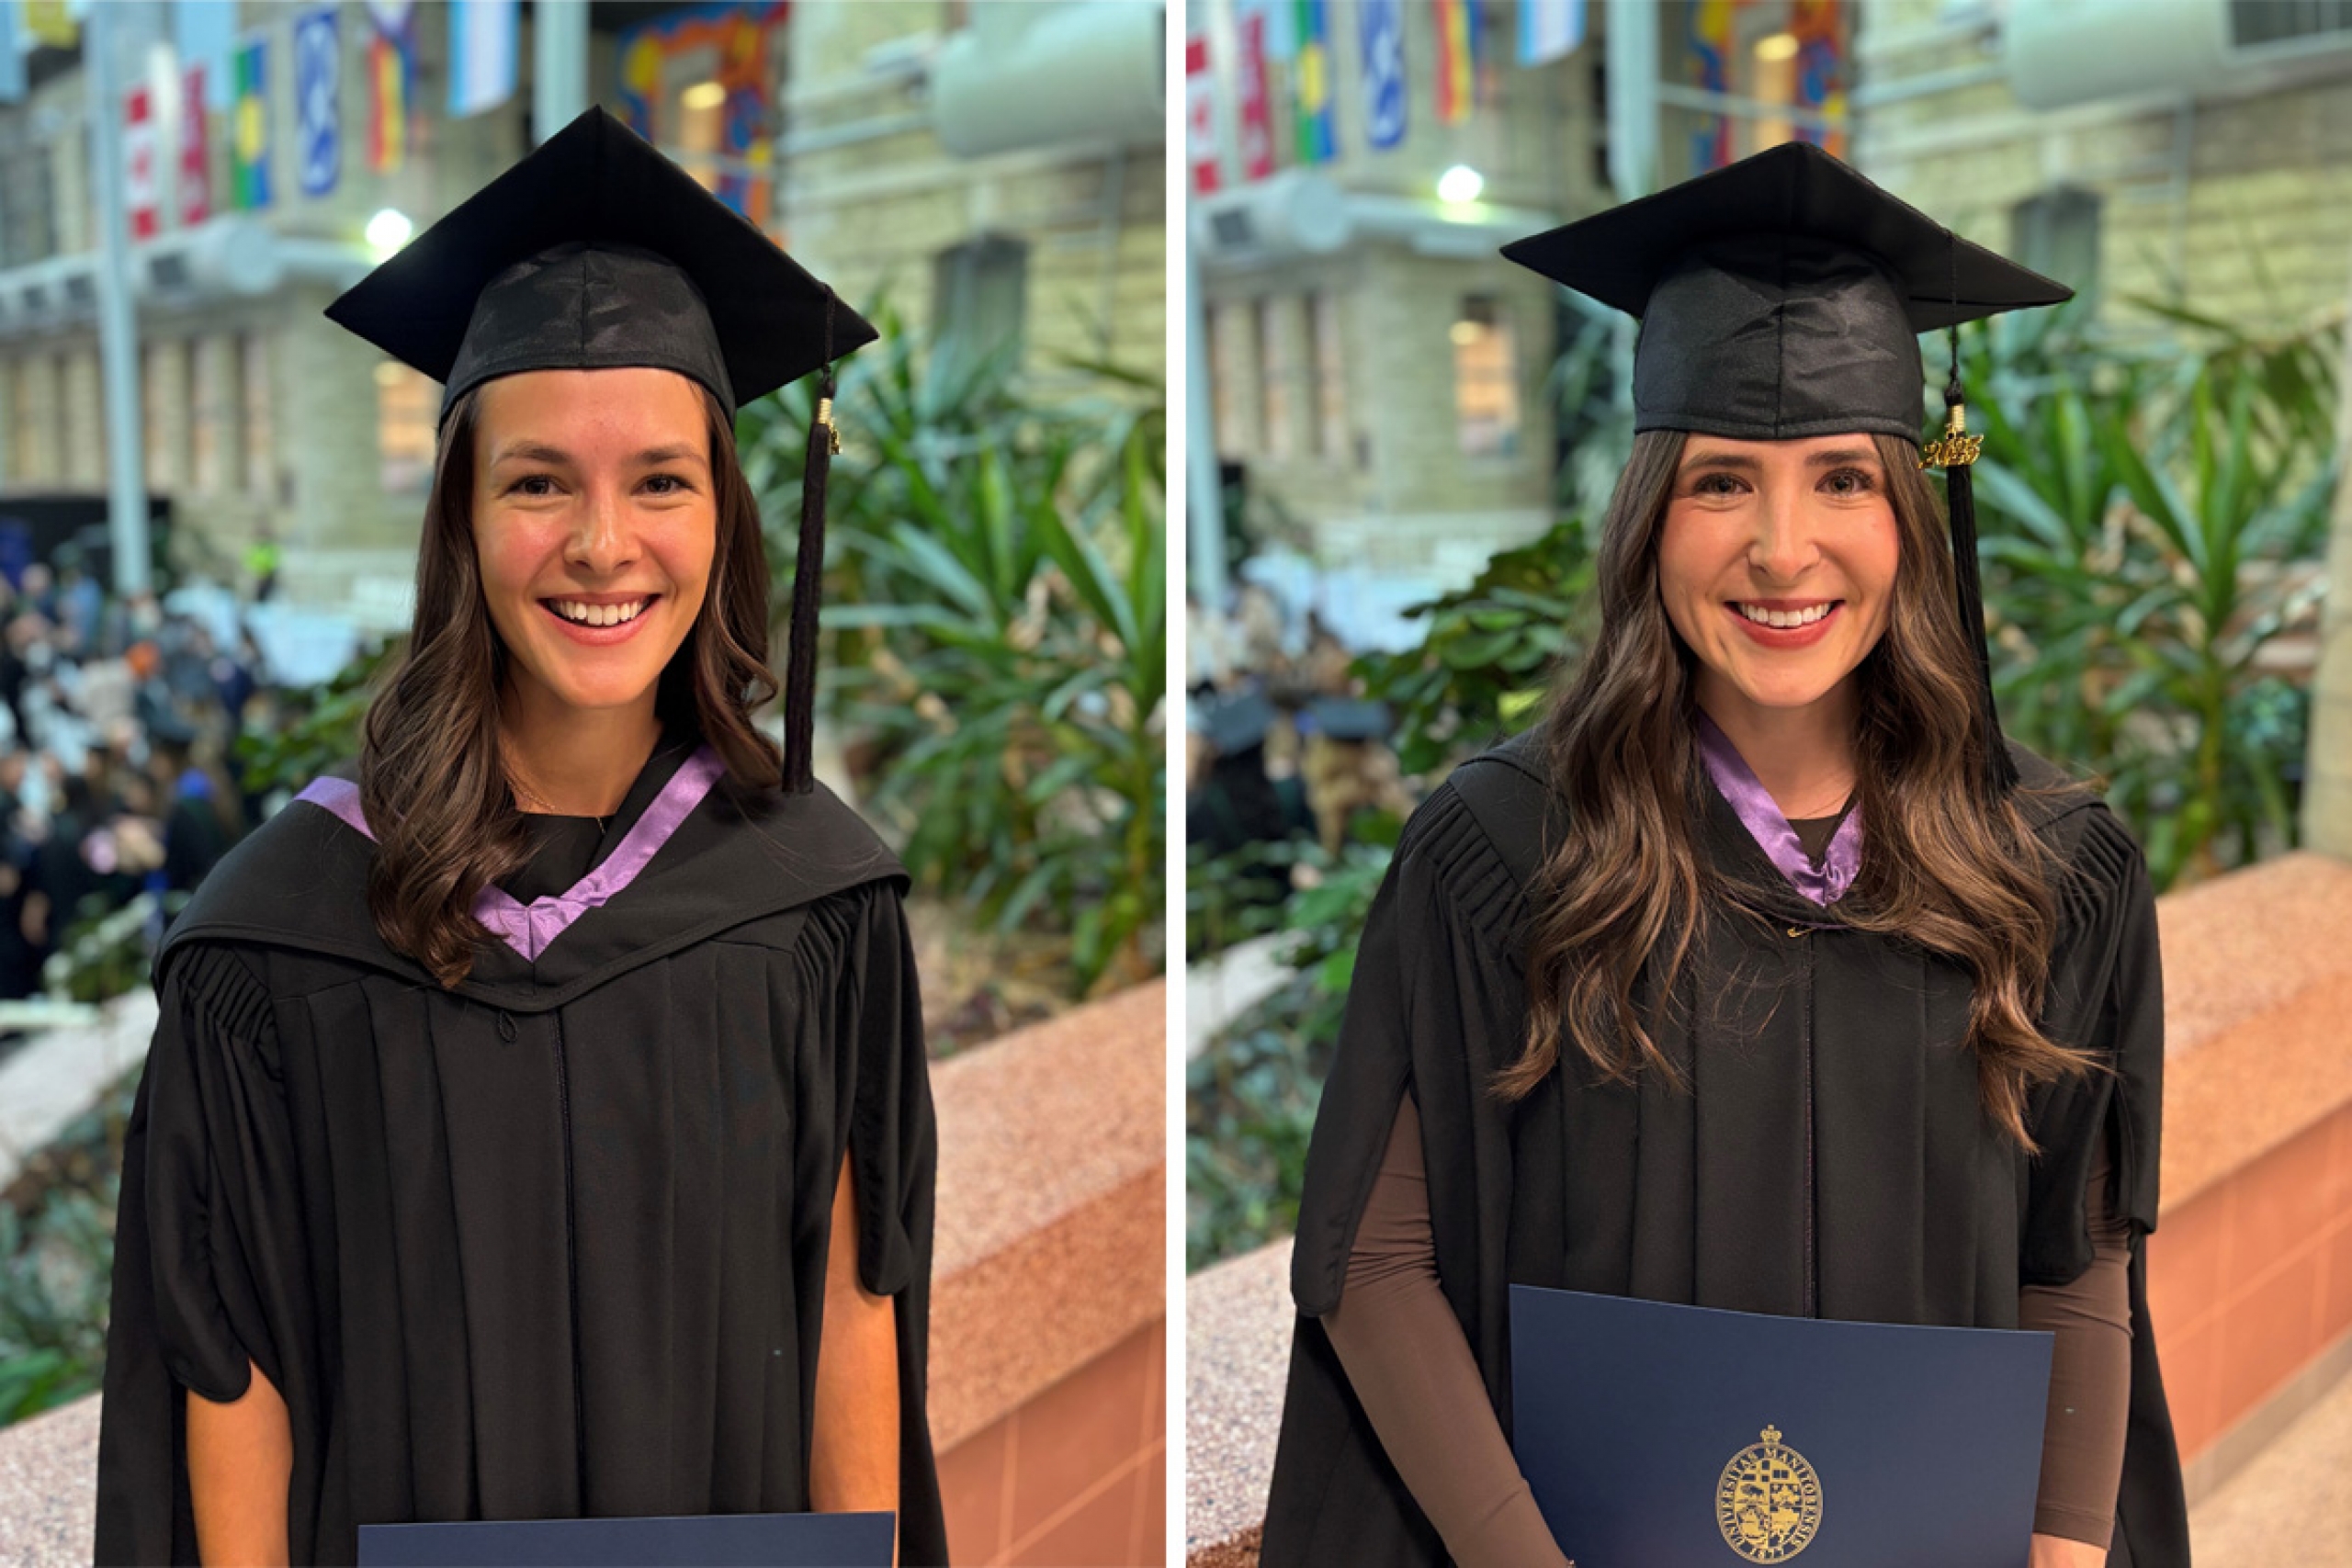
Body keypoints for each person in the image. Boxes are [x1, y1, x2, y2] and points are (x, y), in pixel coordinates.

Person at [1259, 142, 2188, 1568]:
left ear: (1914, 512)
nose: (1780, 547)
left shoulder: (2050, 867)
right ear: (1647, 521)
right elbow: (1376, 1263)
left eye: (1839, 480)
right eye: (1718, 485)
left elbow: (2077, 1250)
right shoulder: (1508, 850)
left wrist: (2064, 1550)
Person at [95, 108, 945, 1565]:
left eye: (660, 480)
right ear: (464, 520)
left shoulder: (812, 901)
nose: (603, 544)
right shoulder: (279, 931)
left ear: (726, 517)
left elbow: (853, 1321)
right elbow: (230, 1372)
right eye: (539, 479)